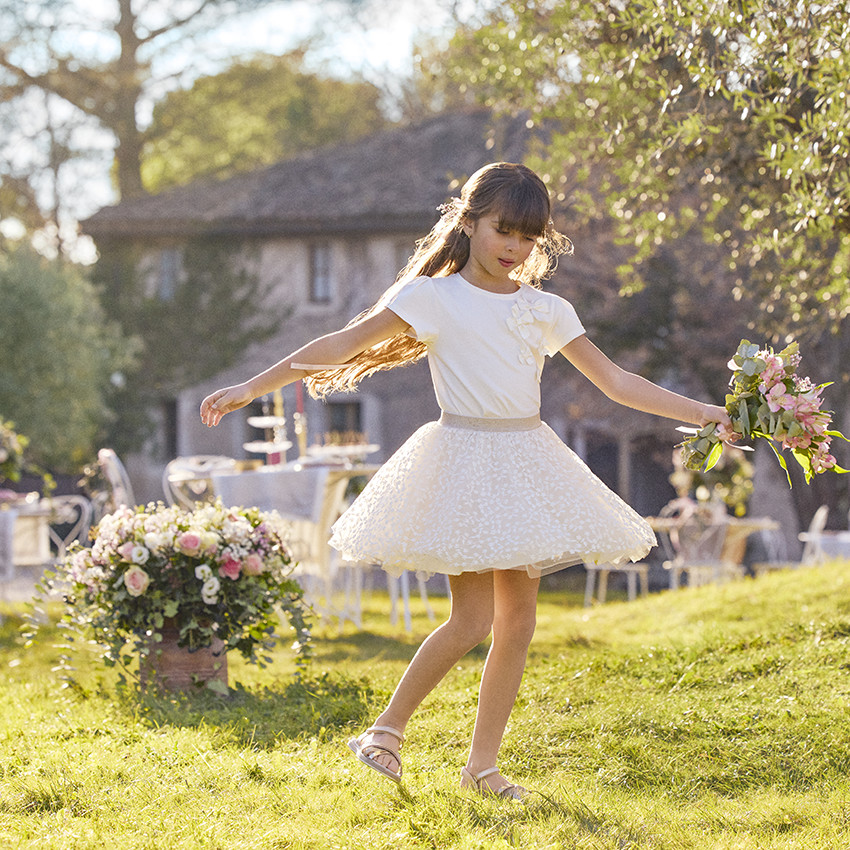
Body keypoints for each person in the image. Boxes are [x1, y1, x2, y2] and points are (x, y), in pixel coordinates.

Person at [200, 162, 732, 799]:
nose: (515, 248)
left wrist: (704, 412)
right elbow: (340, 345)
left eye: (529, 238)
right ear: (470, 221)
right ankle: (384, 733)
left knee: (519, 620)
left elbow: (617, 383)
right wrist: (251, 388)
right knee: (472, 617)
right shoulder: (433, 296)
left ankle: (482, 768)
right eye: (504, 231)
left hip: (526, 459)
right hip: (462, 460)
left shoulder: (546, 310)